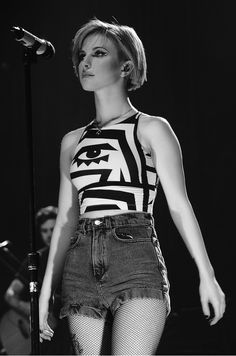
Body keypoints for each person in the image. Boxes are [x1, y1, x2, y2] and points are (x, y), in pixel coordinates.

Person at [39, 18, 226, 355]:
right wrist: (45, 292)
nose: (86, 62)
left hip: (135, 256)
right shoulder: (72, 141)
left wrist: (207, 274)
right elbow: (67, 220)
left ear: (126, 66)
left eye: (98, 53)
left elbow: (180, 205)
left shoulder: (151, 128)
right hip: (79, 263)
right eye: (82, 55)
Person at [3, 206, 66, 355]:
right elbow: (10, 295)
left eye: (52, 229)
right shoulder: (35, 259)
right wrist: (34, 312)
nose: (49, 235)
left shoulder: (73, 253)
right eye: (45, 231)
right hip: (48, 341)